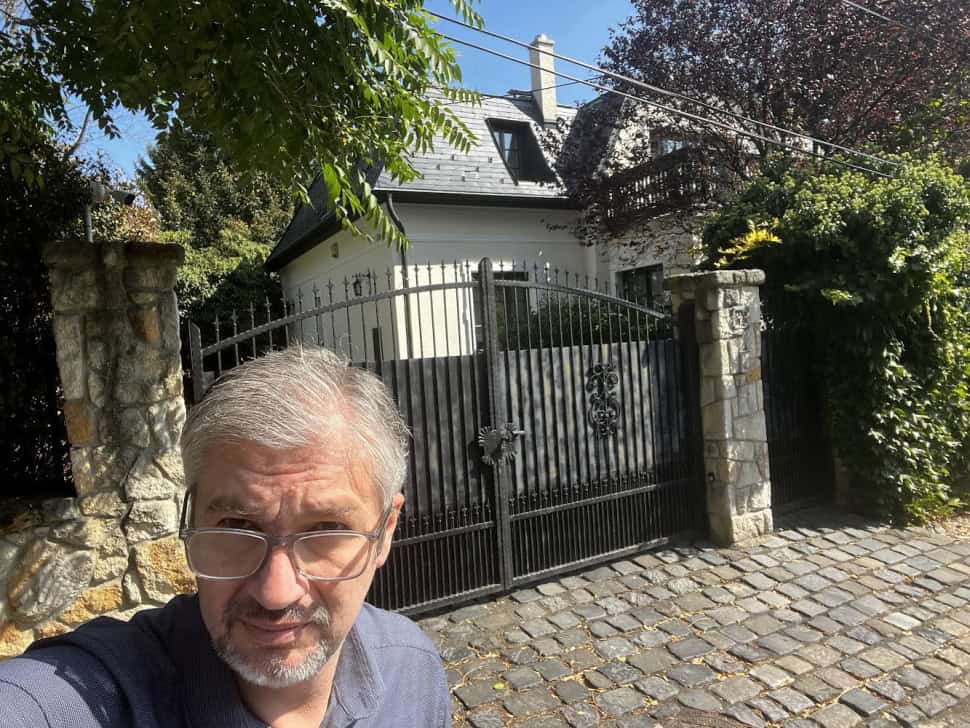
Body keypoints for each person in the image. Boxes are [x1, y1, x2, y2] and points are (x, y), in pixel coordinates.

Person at [0, 346, 451, 728]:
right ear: (191, 520)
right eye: (238, 526)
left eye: (325, 530)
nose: (276, 593)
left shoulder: (413, 671)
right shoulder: (96, 693)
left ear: (384, 533)